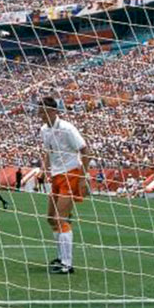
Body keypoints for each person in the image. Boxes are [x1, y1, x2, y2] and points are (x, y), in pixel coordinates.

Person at [39, 96, 91, 275]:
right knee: (51, 219)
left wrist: (83, 178)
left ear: (53, 111)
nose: (40, 114)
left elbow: (85, 150)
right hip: (56, 176)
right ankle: (61, 257)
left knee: (60, 219)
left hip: (71, 174)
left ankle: (67, 264)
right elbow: (48, 152)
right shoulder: (44, 130)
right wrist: (43, 170)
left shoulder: (68, 129)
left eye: (43, 111)